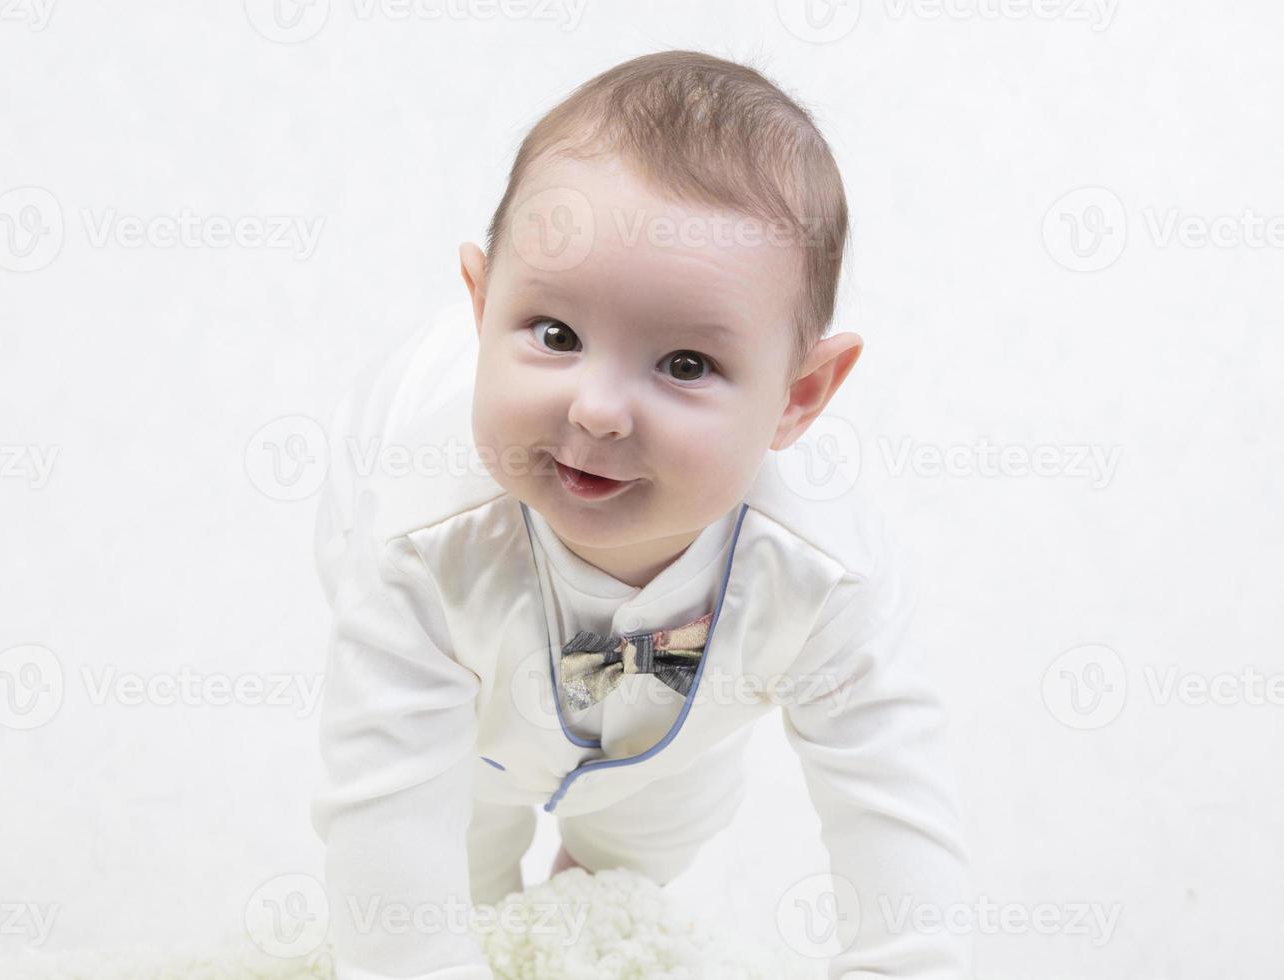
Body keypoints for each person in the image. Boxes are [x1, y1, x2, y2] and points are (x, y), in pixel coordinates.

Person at [311, 49, 973, 979]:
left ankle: (598, 872)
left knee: (653, 829)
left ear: (800, 395)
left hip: (683, 694)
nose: (596, 409)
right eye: (555, 335)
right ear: (481, 303)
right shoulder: (415, 541)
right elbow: (382, 840)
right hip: (453, 624)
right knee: (458, 846)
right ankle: (494, 868)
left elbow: (898, 829)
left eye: (686, 365)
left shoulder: (826, 575)